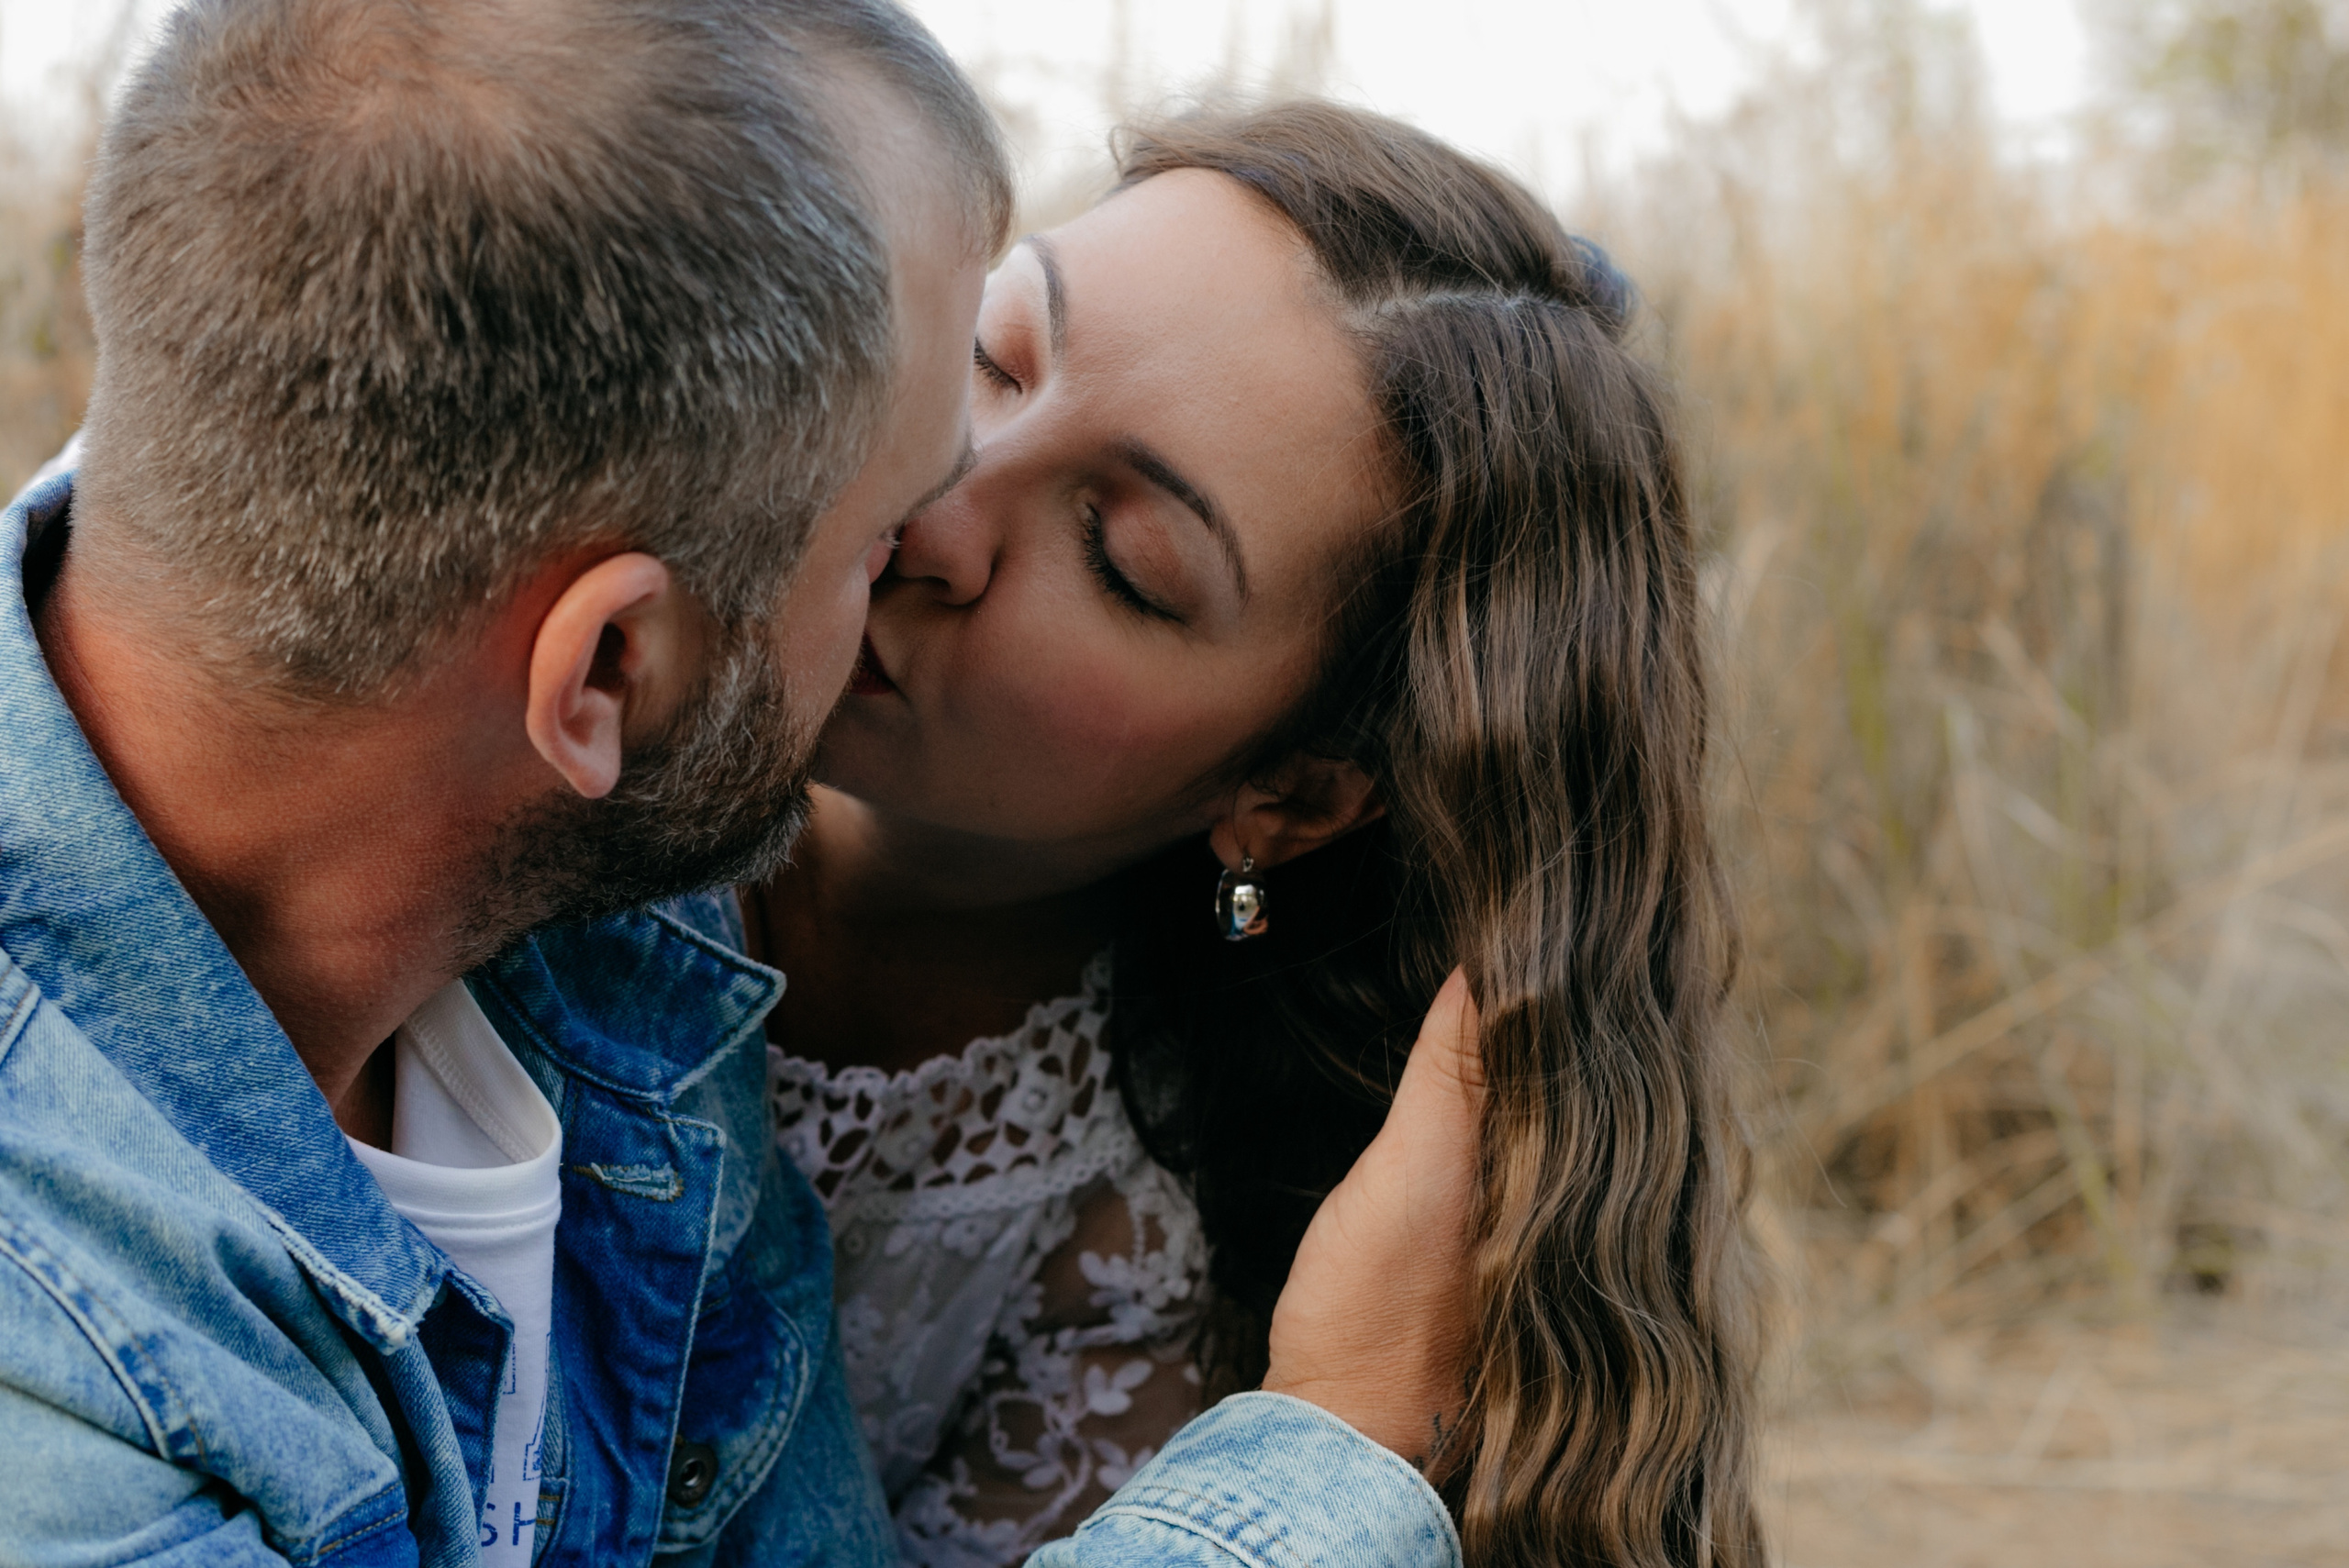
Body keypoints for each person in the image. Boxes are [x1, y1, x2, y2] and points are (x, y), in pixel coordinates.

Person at [0, 4, 1476, 1565]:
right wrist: (1337, 1440)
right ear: (609, 672)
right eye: (875, 524)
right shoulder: (64, 1381)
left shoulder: (615, 969)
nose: (937, 538)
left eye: (1121, 556)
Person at [743, 101, 1766, 1568]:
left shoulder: (1140, 1267)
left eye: (1124, 561)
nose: (937, 502)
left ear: (1285, 796)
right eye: (992, 353)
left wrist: (1335, 1425)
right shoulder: (519, 728)